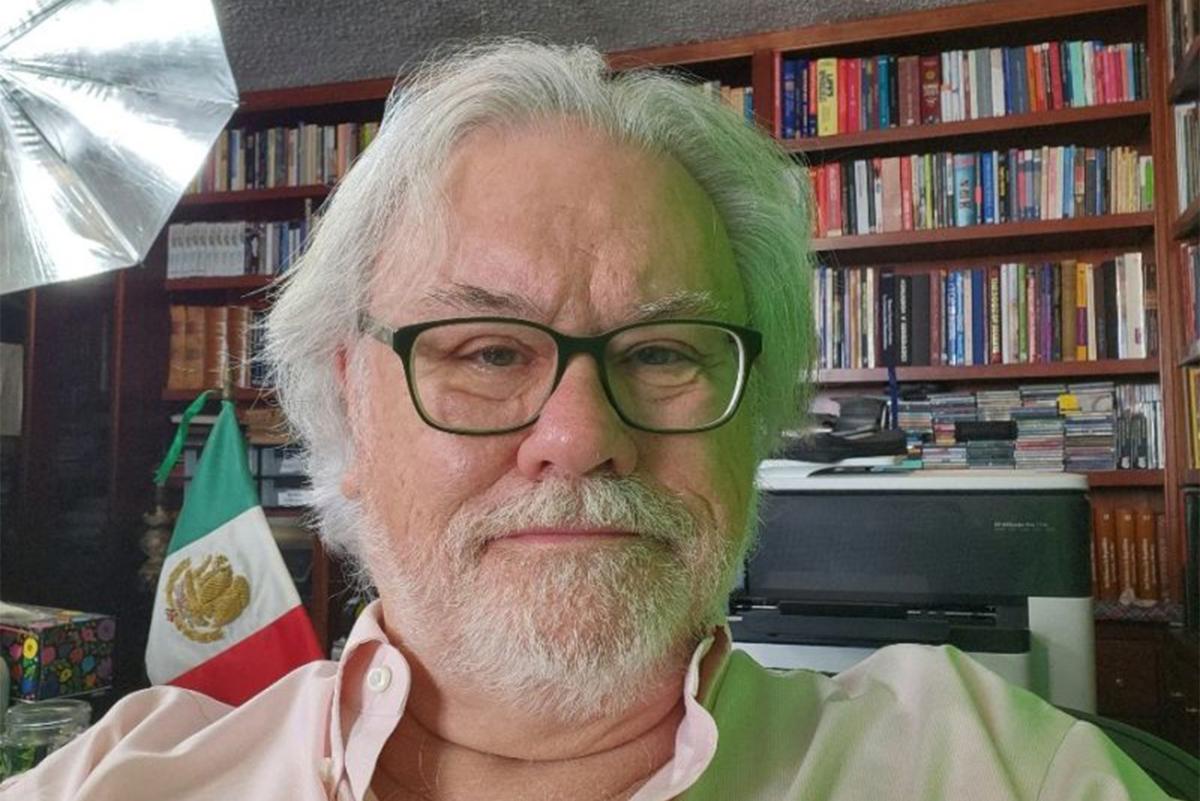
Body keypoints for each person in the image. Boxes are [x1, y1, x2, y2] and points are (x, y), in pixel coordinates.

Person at [0, 40, 1174, 801]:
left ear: (752, 421)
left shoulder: (993, 770)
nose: (578, 434)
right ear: (353, 401)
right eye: (488, 351)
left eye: (662, 352)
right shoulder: (118, 781)